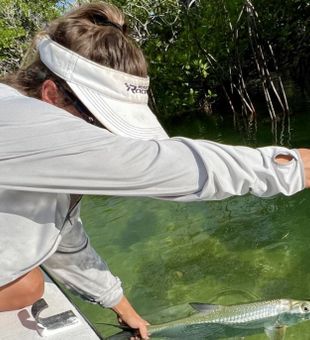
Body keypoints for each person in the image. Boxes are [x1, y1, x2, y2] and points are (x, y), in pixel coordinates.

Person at [0, 2, 309, 339]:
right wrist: (287, 169)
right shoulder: (17, 120)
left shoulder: (42, 156)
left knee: (29, 281)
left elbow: (65, 239)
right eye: (104, 125)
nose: (114, 139)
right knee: (30, 286)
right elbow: (154, 165)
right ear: (51, 95)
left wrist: (124, 309)